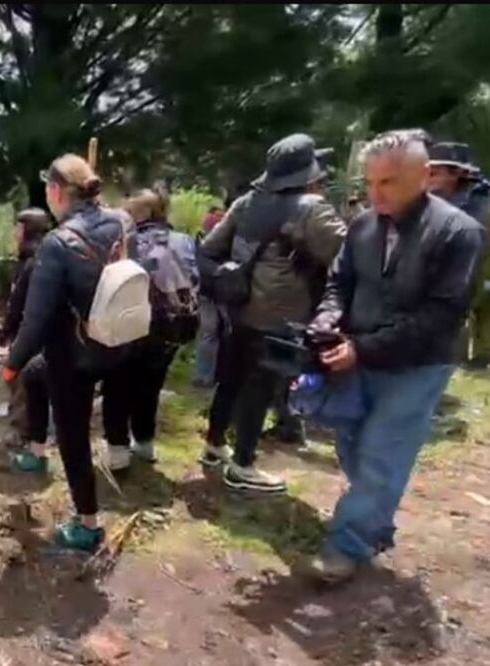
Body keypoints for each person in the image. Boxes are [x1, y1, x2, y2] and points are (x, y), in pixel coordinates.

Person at [305, 130, 485, 582]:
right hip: (358, 357)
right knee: (353, 446)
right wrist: (327, 318)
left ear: (424, 177)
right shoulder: (364, 225)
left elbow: (442, 315)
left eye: (387, 182)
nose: (375, 193)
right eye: (370, 182)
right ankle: (375, 521)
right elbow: (338, 282)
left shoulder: (458, 233)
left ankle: (345, 546)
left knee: (383, 454)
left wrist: (361, 347)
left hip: (417, 365)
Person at [199, 134, 346, 493]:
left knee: (230, 379)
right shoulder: (313, 208)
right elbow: (349, 255)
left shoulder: (246, 203)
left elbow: (208, 249)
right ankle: (243, 465)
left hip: (239, 308)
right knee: (259, 388)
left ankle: (215, 446)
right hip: (281, 319)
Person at [2, 153, 132, 552]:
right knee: (35, 376)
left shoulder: (57, 245)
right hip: (120, 340)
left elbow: (35, 321)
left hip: (73, 354)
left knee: (73, 436)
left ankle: (88, 524)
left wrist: (11, 363)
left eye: (47, 190)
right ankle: (37, 451)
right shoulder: (121, 223)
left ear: (57, 191)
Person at [115, 188, 198, 463]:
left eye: (130, 210)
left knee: (121, 383)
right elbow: (195, 278)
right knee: (151, 385)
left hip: (135, 322)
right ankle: (145, 443)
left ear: (142, 213)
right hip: (174, 325)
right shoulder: (184, 240)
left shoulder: (130, 240)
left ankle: (117, 450)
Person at [0, 208, 52, 472]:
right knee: (25, 385)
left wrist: (8, 333)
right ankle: (30, 433)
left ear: (27, 230)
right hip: (33, 334)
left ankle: (22, 436)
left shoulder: (34, 261)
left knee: (21, 383)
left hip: (30, 335)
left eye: (18, 228)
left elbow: (19, 303)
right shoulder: (35, 257)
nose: (14, 233)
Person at [428, 142, 490, 366]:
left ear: (457, 174)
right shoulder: (435, 201)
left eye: (435, 173)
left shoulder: (482, 207)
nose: (429, 178)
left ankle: (479, 357)